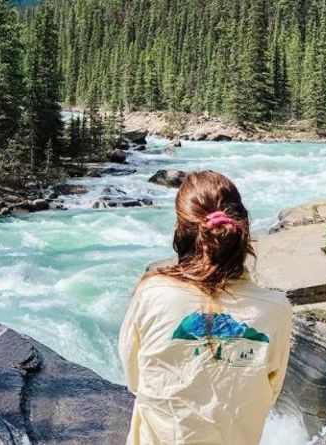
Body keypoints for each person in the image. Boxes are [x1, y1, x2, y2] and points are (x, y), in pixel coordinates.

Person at [117, 170, 292, 445]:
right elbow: (270, 393)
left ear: (181, 231)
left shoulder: (151, 292)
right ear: (242, 228)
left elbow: (135, 378)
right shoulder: (275, 309)